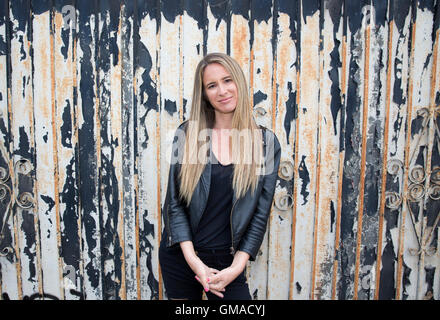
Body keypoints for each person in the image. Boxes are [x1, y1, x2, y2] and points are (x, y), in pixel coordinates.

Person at [159, 52, 281, 300]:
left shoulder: (265, 143)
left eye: (227, 80)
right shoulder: (189, 134)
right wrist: (195, 263)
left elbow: (260, 214)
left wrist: (236, 267)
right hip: (183, 256)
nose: (222, 91)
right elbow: (174, 205)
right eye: (212, 85)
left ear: (239, 82)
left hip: (228, 262)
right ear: (204, 93)